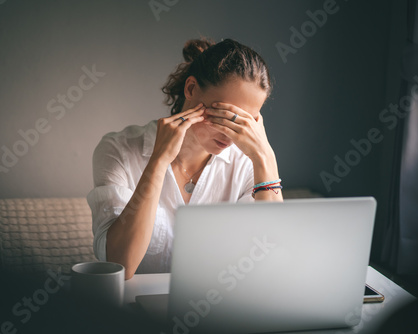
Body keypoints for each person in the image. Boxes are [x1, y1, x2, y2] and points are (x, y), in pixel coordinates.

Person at [87, 37, 283, 280]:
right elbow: (120, 265)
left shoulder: (248, 164)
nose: (232, 137)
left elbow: (272, 266)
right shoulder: (119, 149)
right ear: (191, 89)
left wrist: (265, 157)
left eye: (245, 124)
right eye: (225, 116)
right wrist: (158, 162)